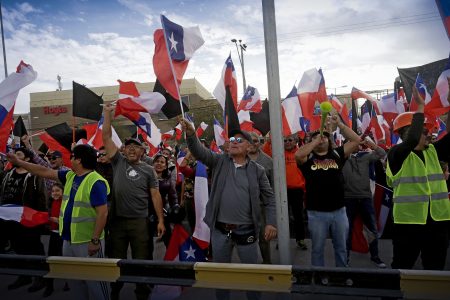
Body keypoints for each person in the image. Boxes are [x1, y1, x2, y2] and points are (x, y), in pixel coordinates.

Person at [180, 118, 277, 300]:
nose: (234, 142)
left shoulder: (258, 171)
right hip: (220, 231)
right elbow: (199, 152)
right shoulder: (219, 161)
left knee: (250, 275)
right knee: (221, 276)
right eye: (232, 140)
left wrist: (270, 223)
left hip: (247, 231)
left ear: (249, 147)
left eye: (239, 140)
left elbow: (270, 199)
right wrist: (191, 134)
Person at [6, 144, 110, 300]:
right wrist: (19, 162)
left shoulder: (96, 182)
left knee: (96, 285)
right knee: (75, 281)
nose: (70, 159)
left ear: (79, 160)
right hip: (68, 240)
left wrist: (95, 240)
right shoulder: (70, 176)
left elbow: (103, 213)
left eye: (72, 156)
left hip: (88, 243)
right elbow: (44, 171)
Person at [102, 104, 165, 300]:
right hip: (118, 221)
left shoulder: (149, 170)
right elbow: (106, 137)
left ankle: (142, 293)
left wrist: (161, 220)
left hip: (140, 221)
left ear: (142, 151)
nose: (130, 149)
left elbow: (155, 195)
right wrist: (106, 114)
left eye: (135, 146)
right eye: (127, 146)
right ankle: (114, 292)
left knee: (142, 259)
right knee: (115, 259)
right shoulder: (118, 161)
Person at [386, 86, 450, 270]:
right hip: (408, 224)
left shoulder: (433, 151)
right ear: (405, 133)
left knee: (435, 269)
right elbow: (413, 139)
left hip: (437, 222)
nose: (429, 133)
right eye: (424, 131)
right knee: (402, 267)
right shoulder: (397, 154)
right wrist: (420, 107)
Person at [295, 115, 360, 268]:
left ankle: (341, 277)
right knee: (317, 249)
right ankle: (319, 277)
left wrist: (341, 125)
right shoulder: (308, 158)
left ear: (330, 140)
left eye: (324, 136)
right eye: (317, 137)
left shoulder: (337, 154)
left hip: (339, 211)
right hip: (316, 213)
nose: (321, 139)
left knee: (341, 248)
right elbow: (298, 155)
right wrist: (315, 140)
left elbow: (356, 141)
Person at [1, 147, 47, 292]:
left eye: (18, 154)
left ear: (27, 159)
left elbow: (42, 197)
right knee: (18, 247)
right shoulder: (8, 174)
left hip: (29, 219)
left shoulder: (34, 176)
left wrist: (40, 217)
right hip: (10, 219)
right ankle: (23, 275)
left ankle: (40, 277)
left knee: (33, 247)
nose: (14, 156)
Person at [342, 137, 387, 268]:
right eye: (350, 143)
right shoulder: (342, 158)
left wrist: (370, 143)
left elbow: (382, 154)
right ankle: (346, 258)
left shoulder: (366, 157)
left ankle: (375, 256)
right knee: (348, 230)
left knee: (372, 229)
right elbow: (333, 149)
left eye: (354, 143)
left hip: (366, 198)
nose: (353, 145)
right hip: (349, 199)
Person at [263, 133, 307, 249]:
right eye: (285, 140)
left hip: (297, 190)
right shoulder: (278, 153)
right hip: (281, 190)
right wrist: (268, 141)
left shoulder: (301, 153)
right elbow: (265, 152)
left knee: (298, 216)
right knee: (282, 216)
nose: (287, 142)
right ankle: (282, 240)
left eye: (290, 140)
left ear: (295, 141)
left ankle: (300, 239)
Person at [247, 132, 273, 264]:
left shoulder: (268, 161)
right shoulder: (236, 160)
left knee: (264, 238)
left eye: (255, 141)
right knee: (245, 237)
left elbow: (273, 188)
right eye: (249, 140)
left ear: (260, 143)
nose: (252, 144)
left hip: (261, 207)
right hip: (242, 207)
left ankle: (267, 263)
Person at [43, 183, 70, 297]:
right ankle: (49, 285)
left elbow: (68, 219)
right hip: (53, 235)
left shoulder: (66, 203)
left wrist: (59, 221)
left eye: (58, 190)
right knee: (51, 259)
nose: (55, 193)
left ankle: (68, 281)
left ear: (63, 192)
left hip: (63, 235)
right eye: (53, 191)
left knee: (65, 259)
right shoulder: (51, 202)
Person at [153, 153, 179, 246]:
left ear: (165, 166)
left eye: (162, 162)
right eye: (157, 161)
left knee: (169, 240)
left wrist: (175, 206)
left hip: (163, 211)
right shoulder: (146, 177)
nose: (159, 164)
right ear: (153, 164)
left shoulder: (168, 179)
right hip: (146, 212)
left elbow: (173, 195)